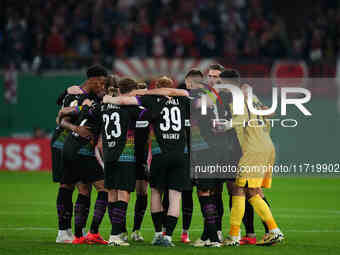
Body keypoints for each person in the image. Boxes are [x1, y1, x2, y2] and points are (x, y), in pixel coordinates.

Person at [103, 76, 190, 247]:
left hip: (159, 153)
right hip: (181, 153)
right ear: (170, 87)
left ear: (155, 87)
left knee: (156, 192)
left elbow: (123, 100)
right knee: (175, 196)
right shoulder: (183, 98)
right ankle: (169, 237)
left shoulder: (148, 98)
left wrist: (107, 98)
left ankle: (158, 233)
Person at [52, 64, 107, 244]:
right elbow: (60, 121)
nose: (102, 86)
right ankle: (63, 231)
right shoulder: (76, 94)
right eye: (101, 82)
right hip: (64, 143)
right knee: (67, 186)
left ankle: (77, 231)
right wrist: (76, 127)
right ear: (92, 79)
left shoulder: (90, 97)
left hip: (79, 145)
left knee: (84, 188)